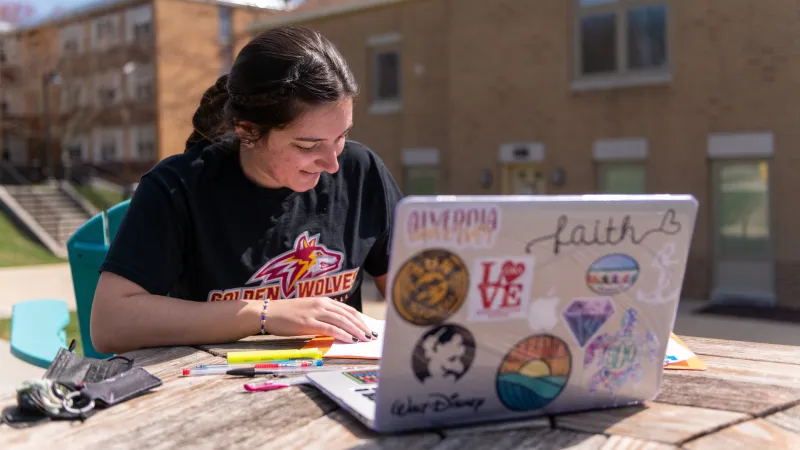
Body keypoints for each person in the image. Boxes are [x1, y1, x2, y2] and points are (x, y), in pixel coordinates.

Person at [90, 26, 403, 355]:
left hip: (333, 380)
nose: (332, 163)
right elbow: (110, 324)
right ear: (248, 130)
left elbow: (418, 297)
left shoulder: (361, 171)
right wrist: (262, 314)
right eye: (308, 145)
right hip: (218, 387)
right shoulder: (179, 187)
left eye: (340, 137)